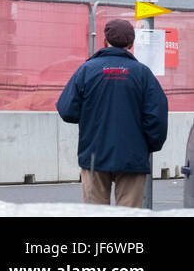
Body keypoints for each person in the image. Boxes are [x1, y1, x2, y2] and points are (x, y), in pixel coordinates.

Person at [56, 18, 168, 208]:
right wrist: (148, 146)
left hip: (94, 154)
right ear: (131, 44)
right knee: (130, 212)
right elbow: (157, 116)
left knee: (96, 212)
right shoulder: (142, 74)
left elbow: (67, 111)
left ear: (104, 41)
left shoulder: (86, 70)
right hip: (133, 155)